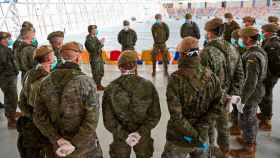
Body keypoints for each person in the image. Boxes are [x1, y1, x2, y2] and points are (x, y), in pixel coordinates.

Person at [33, 42, 103, 158]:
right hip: (85, 147)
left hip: (58, 147)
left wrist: (58, 139)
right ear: (78, 57)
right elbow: (92, 119)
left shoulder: (45, 81)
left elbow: (39, 115)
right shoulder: (86, 81)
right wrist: (74, 143)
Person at [161, 37, 223, 158]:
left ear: (182, 54)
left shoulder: (176, 79)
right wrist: (202, 129)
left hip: (180, 137)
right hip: (203, 137)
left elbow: (176, 115)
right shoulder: (211, 76)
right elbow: (218, 105)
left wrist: (193, 135)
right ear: (197, 52)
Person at [102, 50, 161, 158]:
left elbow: (108, 120)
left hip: (120, 138)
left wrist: (125, 135)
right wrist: (139, 133)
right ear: (135, 66)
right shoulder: (148, 86)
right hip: (143, 136)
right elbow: (155, 115)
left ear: (119, 67)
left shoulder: (110, 88)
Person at [200, 18, 244, 158]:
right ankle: (225, 153)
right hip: (226, 98)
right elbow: (240, 74)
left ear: (209, 33)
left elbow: (204, 81)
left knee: (208, 127)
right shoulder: (233, 48)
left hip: (211, 99)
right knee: (224, 127)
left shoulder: (206, 52)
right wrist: (232, 95)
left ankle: (209, 152)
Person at [230, 27, 268, 158]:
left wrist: (243, 99)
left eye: (241, 38)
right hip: (255, 90)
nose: (239, 40)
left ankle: (249, 148)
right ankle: (248, 140)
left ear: (247, 39)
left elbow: (250, 81)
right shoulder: (258, 50)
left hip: (251, 93)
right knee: (249, 118)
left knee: (248, 119)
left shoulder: (252, 56)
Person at [17, 45, 54, 158]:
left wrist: (30, 115)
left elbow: (22, 100)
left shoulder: (29, 74)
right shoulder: (46, 79)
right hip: (42, 126)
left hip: (30, 121)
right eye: (52, 54)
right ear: (48, 58)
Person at [258, 24, 280, 131]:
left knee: (267, 97)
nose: (262, 33)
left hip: (270, 75)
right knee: (264, 96)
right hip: (268, 74)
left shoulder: (273, 44)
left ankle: (267, 120)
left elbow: (274, 63)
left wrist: (271, 75)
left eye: (263, 31)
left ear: (269, 32)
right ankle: (264, 114)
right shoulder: (268, 41)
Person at [0, 32, 19, 129]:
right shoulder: (2, 50)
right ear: (2, 40)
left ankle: (11, 114)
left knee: (11, 97)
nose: (9, 40)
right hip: (6, 77)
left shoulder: (5, 49)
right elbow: (3, 65)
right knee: (11, 98)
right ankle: (11, 121)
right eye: (7, 38)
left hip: (9, 76)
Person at [85, 25, 106, 91]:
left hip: (99, 57)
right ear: (91, 31)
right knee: (96, 73)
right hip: (94, 58)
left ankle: (99, 85)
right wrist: (100, 43)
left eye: (96, 29)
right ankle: (95, 86)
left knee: (101, 72)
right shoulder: (88, 40)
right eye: (94, 29)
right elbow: (93, 50)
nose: (96, 31)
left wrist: (100, 43)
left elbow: (98, 47)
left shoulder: (95, 38)